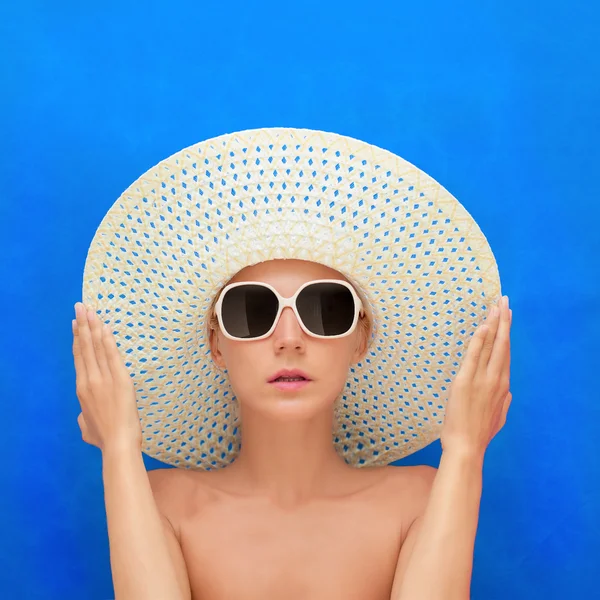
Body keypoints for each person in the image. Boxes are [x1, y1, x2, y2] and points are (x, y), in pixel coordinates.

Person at [72, 128, 512, 600]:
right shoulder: (162, 503)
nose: (288, 339)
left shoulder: (419, 500)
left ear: (361, 338)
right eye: (250, 311)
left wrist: (465, 453)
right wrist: (119, 450)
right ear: (216, 344)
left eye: (326, 309)